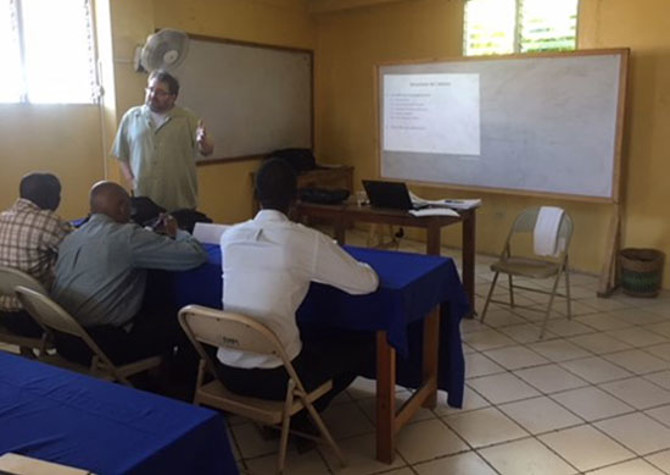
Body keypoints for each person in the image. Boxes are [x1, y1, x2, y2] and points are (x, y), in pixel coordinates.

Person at [215, 158, 379, 421]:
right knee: (362, 345)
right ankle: (304, 418)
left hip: (226, 370)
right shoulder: (304, 240)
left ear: (256, 195)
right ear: (295, 198)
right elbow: (366, 284)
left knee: (307, 336)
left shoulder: (230, 237)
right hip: (278, 379)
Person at [51, 181, 207, 365]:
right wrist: (178, 231)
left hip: (64, 338)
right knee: (187, 321)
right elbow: (195, 256)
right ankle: (174, 386)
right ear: (123, 207)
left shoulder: (72, 237)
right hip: (101, 344)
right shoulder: (127, 236)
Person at [111, 70, 214, 212]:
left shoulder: (188, 119)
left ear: (173, 97)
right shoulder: (131, 117)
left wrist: (203, 142)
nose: (152, 95)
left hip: (179, 201)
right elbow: (120, 153)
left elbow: (207, 151)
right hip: (144, 200)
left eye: (160, 92)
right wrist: (131, 181)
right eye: (150, 89)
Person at [0, 172, 72, 338]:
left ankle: (27, 351)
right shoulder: (48, 221)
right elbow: (78, 249)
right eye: (57, 195)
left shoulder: (2, 218)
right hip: (36, 316)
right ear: (49, 197)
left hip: (2, 313)